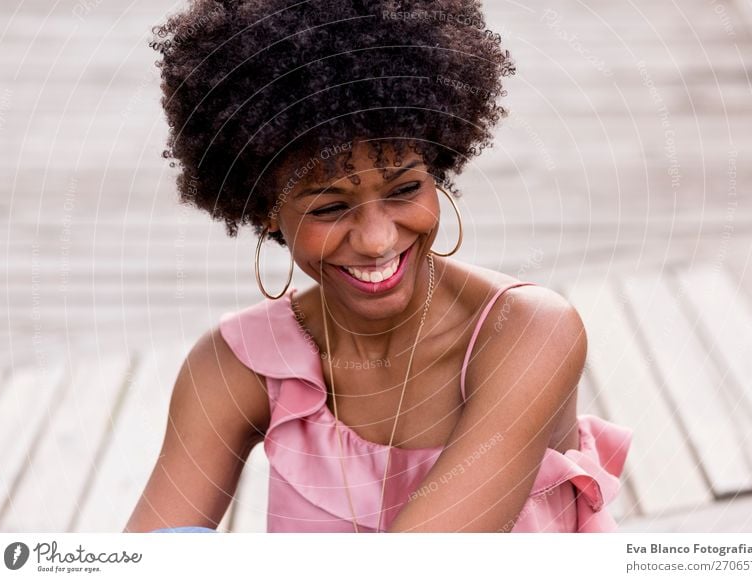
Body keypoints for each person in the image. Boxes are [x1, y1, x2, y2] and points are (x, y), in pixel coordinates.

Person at [124, 0, 631, 533]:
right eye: (329, 207)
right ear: (265, 211)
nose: (376, 239)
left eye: (405, 189)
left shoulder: (528, 333)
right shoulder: (237, 368)